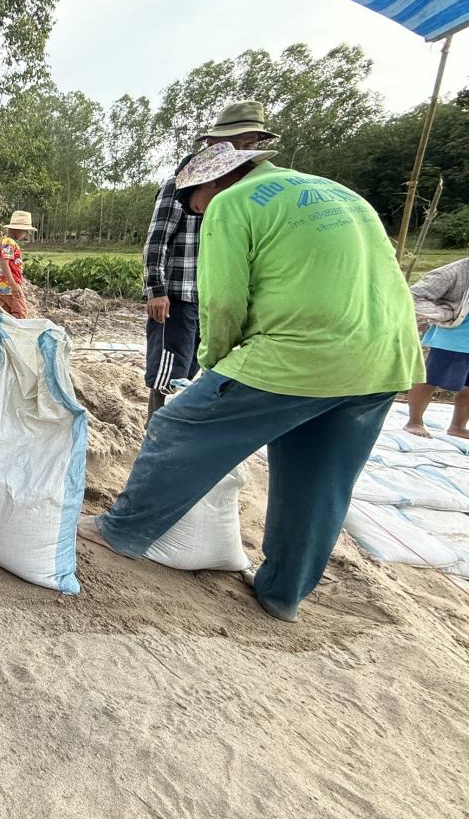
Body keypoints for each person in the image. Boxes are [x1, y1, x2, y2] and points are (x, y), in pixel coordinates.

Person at [85, 141, 424, 623]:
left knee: (180, 425)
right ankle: (282, 594)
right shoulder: (342, 194)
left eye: (193, 203)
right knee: (318, 479)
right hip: (387, 358)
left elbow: (221, 302)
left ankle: (120, 532)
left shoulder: (231, 202)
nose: (195, 213)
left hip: (302, 352)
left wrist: (215, 366)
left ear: (213, 182)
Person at [142, 101, 277, 420]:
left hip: (209, 295)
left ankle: (180, 424)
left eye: (250, 145)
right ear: (214, 144)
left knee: (193, 366)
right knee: (167, 367)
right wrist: (156, 290)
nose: (244, 152)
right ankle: (157, 426)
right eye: (239, 143)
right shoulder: (182, 184)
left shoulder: (244, 192)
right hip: (178, 293)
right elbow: (157, 239)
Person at [406, 257, 469, 438]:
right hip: (454, 337)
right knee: (430, 379)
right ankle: (414, 421)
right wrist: (443, 314)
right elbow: (413, 294)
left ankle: (458, 426)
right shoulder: (453, 272)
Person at [0, 211, 36, 319]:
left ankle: (7, 334)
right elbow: (4, 264)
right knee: (20, 314)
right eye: (25, 232)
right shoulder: (9, 243)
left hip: (2, 287)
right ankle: (16, 334)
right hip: (9, 288)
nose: (25, 235)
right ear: (18, 229)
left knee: (8, 316)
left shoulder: (3, 241)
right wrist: (14, 286)